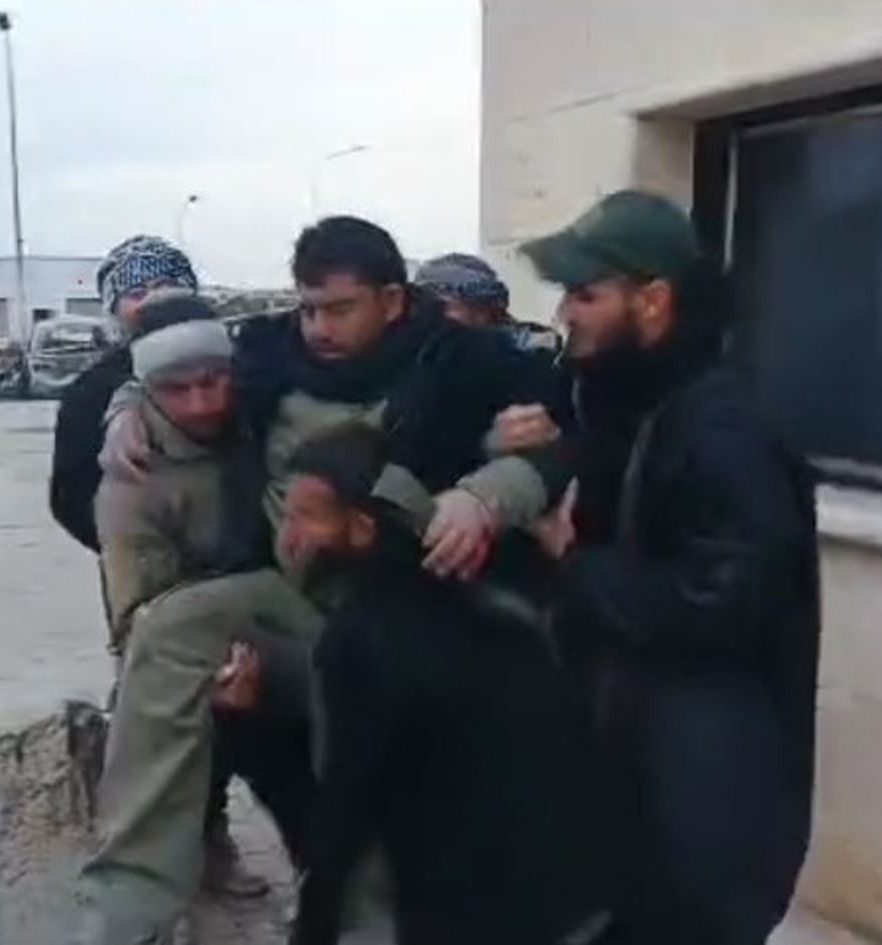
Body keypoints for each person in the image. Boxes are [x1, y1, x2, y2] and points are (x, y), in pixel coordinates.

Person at [81, 216, 571, 945]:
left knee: (377, 761)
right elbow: (172, 358)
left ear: (393, 300)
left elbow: (555, 446)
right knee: (168, 630)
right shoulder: (269, 351)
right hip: (289, 598)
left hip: (419, 613)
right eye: (308, 307)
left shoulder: (469, 362)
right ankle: (128, 912)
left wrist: (488, 494)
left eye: (339, 308)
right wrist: (129, 403)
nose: (318, 328)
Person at [517, 190, 820, 945]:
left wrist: (574, 564)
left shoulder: (722, 429)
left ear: (652, 300)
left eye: (585, 294)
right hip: (634, 787)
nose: (566, 314)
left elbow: (723, 605)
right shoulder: (634, 406)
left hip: (701, 813)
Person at [273, 424, 608, 945]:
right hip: (573, 896)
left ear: (361, 527)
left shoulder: (362, 636)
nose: (289, 535)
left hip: (472, 906)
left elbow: (348, 800)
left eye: (307, 516)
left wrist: (313, 928)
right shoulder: (491, 600)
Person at [93, 293, 315, 873]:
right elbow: (139, 620)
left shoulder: (265, 412)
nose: (201, 404)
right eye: (176, 389)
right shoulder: (134, 480)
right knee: (219, 724)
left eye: (214, 381)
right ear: (148, 389)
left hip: (308, 619)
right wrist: (217, 679)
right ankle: (193, 855)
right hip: (215, 647)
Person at [50, 235, 201, 553]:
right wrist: (131, 543)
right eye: (136, 293)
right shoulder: (90, 391)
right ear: (114, 309)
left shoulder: (236, 360)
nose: (154, 299)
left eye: (166, 285)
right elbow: (70, 497)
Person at [414, 252, 561, 360]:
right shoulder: (426, 351)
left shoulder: (530, 350)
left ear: (483, 312)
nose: (430, 314)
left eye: (444, 307)